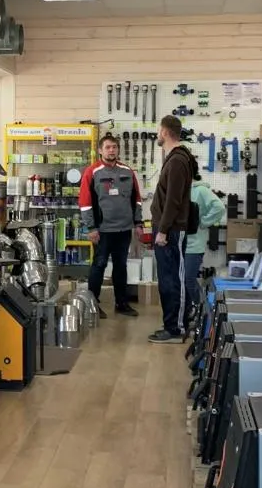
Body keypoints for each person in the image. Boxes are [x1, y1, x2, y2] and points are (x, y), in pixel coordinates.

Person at [78, 133, 142, 318]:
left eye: (114, 147)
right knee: (99, 265)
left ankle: (122, 303)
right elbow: (85, 203)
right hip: (102, 231)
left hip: (124, 229)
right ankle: (93, 306)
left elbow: (136, 199)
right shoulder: (92, 172)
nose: (111, 150)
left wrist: (138, 223)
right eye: (108, 147)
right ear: (100, 150)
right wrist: (91, 228)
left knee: (121, 266)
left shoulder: (127, 171)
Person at [148, 115, 198, 343]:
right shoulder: (174, 158)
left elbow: (173, 201)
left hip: (171, 230)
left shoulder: (177, 161)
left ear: (165, 132)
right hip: (167, 228)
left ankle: (176, 328)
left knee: (172, 278)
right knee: (167, 278)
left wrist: (163, 230)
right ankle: (172, 323)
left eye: (159, 130)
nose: (157, 134)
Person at [184, 177, 228, 325]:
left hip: (194, 245)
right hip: (181, 244)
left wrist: (203, 222)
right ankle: (190, 313)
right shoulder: (179, 190)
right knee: (184, 281)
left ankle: (205, 313)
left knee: (189, 280)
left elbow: (219, 207)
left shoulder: (201, 190)